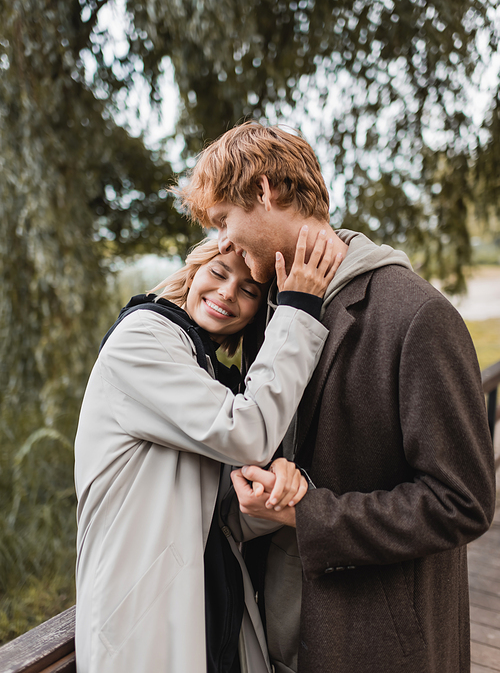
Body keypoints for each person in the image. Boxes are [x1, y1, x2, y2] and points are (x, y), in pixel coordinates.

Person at [180, 121, 496, 673]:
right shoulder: (273, 311)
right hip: (274, 634)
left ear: (263, 191)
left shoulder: (418, 317)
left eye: (224, 220)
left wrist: (310, 513)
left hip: (376, 645)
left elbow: (462, 503)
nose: (223, 241)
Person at [74, 234, 342, 673]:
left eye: (249, 290)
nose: (227, 293)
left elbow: (220, 517)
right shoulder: (142, 339)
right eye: (218, 273)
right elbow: (247, 431)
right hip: (146, 621)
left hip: (214, 608)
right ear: (192, 272)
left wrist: (276, 491)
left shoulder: (206, 372)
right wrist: (299, 309)